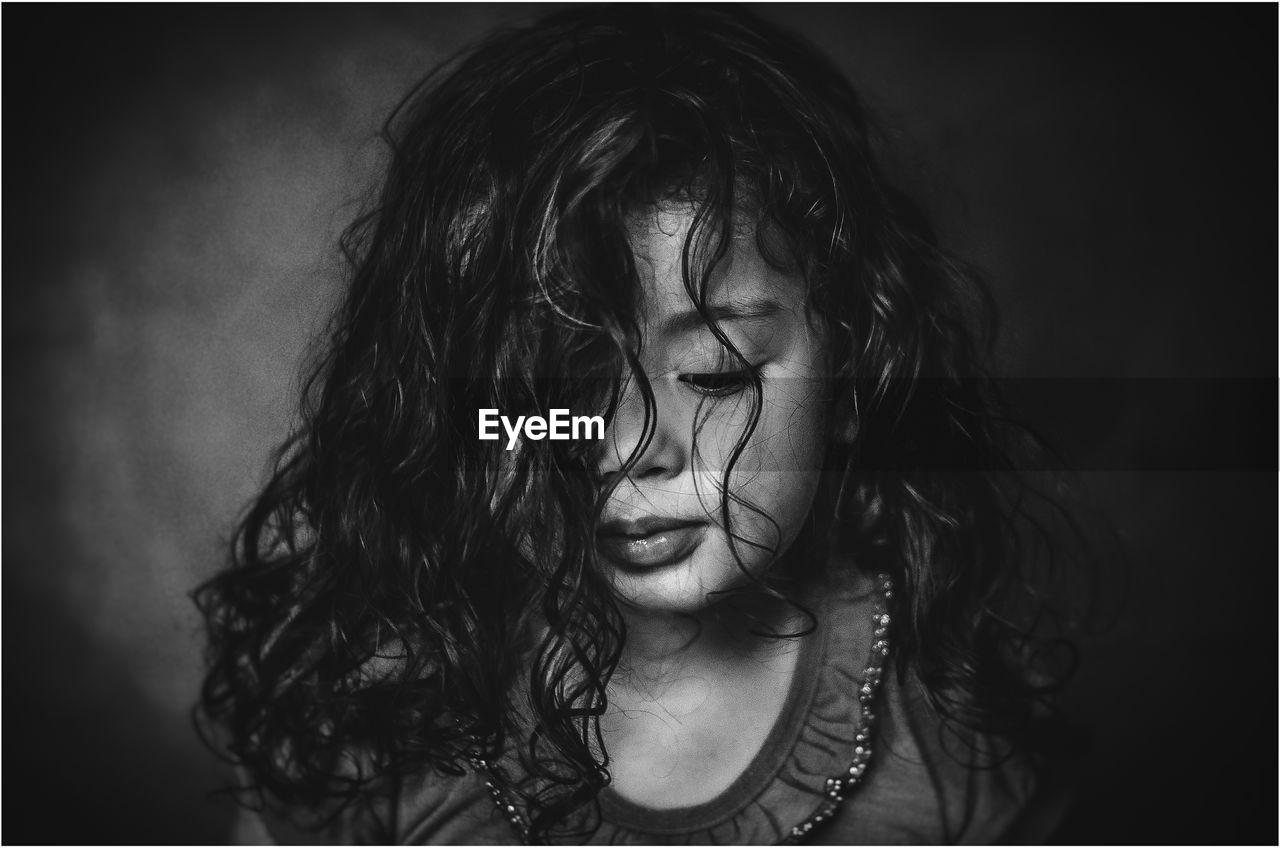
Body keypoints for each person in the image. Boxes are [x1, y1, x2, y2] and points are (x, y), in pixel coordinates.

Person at [195, 6, 1078, 844]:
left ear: (851, 376)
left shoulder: (952, 724)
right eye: (556, 386)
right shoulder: (367, 711)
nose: (631, 451)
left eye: (718, 373)